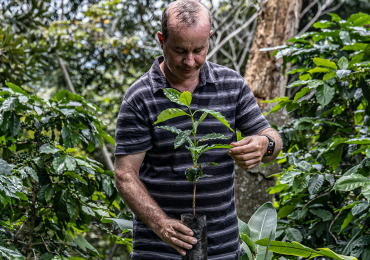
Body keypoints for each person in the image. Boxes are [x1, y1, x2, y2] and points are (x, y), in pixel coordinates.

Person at [114, 0, 282, 259]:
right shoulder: (140, 97)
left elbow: (271, 138)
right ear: (161, 40)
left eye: (199, 49)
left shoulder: (231, 85)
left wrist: (263, 145)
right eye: (180, 50)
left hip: (222, 249)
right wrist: (161, 224)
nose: (190, 61)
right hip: (158, 250)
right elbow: (125, 174)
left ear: (209, 39)